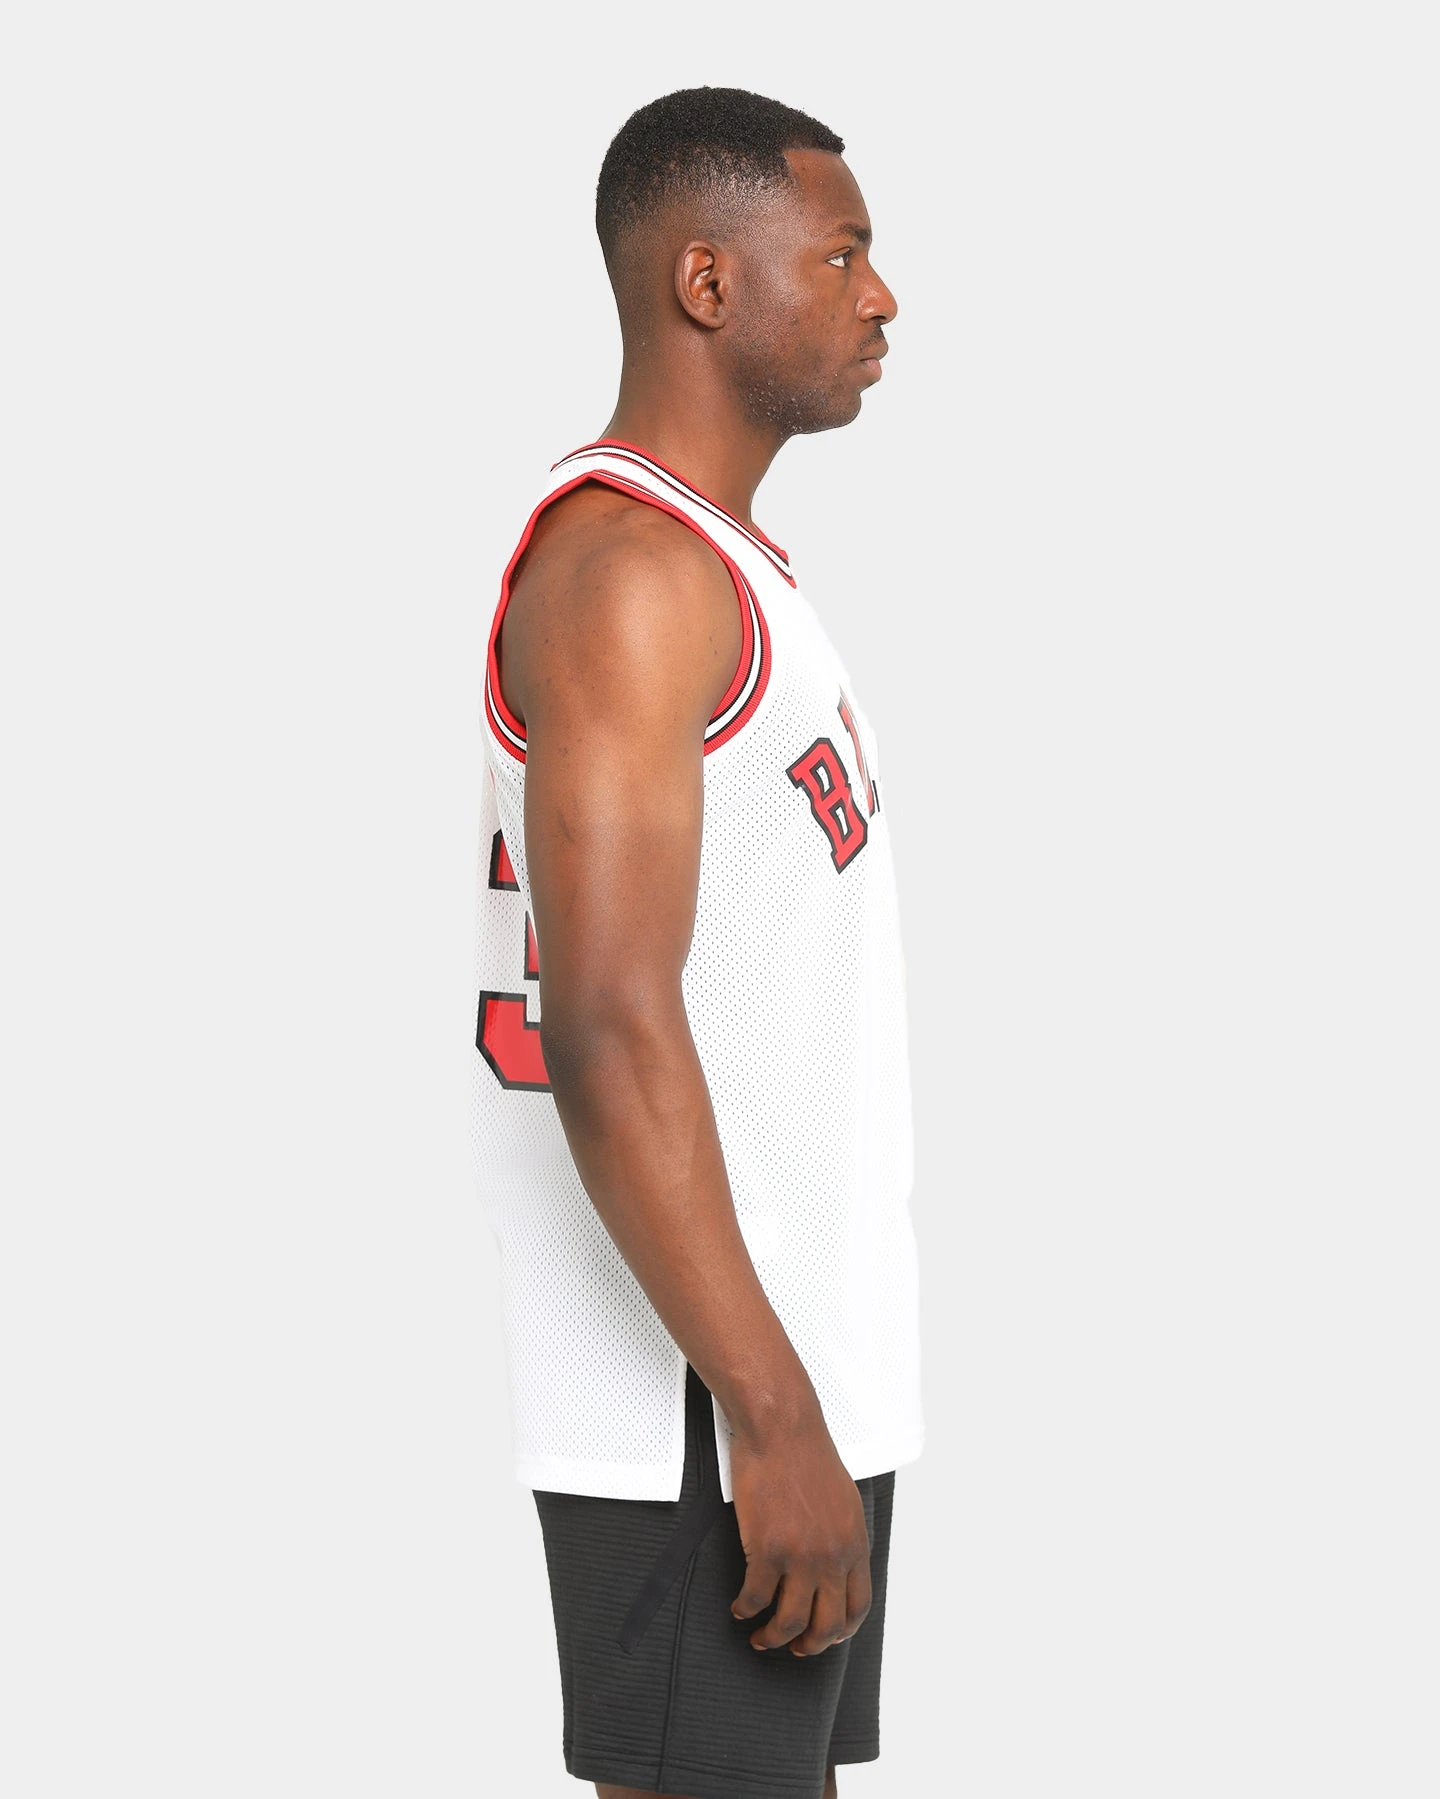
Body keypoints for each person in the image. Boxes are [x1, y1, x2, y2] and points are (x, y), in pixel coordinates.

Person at [471, 86, 924, 1799]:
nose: (882, 296)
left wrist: (808, 1400)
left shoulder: (718, 571)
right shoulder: (631, 578)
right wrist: (769, 1411)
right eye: (845, 254)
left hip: (771, 1375)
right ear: (708, 283)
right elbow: (604, 1021)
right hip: (699, 1407)